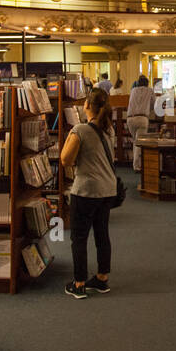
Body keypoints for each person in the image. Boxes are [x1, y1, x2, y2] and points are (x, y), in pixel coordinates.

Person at [59, 89, 119, 299]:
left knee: (79, 237)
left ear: (86, 106)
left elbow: (65, 160)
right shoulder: (108, 130)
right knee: (102, 234)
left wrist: (68, 139)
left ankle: (79, 283)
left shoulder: (80, 130)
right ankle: (102, 279)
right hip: (107, 189)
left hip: (85, 190)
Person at [126, 75, 154, 172]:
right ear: (147, 83)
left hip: (130, 119)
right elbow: (153, 104)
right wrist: (147, 110)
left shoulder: (133, 90)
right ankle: (137, 166)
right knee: (139, 142)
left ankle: (136, 163)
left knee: (135, 141)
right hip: (142, 118)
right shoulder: (150, 90)